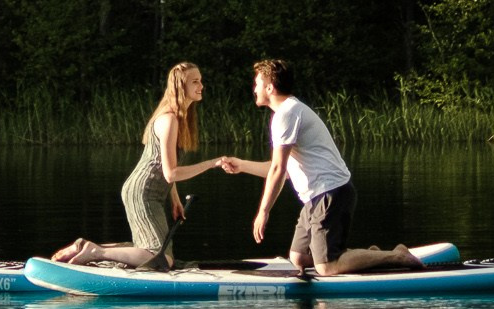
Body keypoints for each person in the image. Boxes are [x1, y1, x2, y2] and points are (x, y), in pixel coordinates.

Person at [51, 59, 220, 269]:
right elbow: (171, 173)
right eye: (195, 81)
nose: (201, 86)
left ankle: (83, 247)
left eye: (200, 81)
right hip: (144, 192)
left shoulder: (176, 119)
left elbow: (164, 165)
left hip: (149, 192)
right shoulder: (169, 120)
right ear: (180, 86)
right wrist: (212, 163)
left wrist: (174, 198)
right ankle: (96, 252)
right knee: (161, 258)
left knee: (149, 249)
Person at [217, 57, 354, 277]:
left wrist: (263, 212)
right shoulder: (287, 112)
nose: (254, 88)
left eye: (257, 84)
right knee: (298, 258)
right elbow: (284, 170)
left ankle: (396, 256)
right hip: (317, 196)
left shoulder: (286, 113)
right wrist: (241, 165)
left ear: (269, 87)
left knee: (326, 267)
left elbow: (278, 170)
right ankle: (358, 255)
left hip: (330, 192)